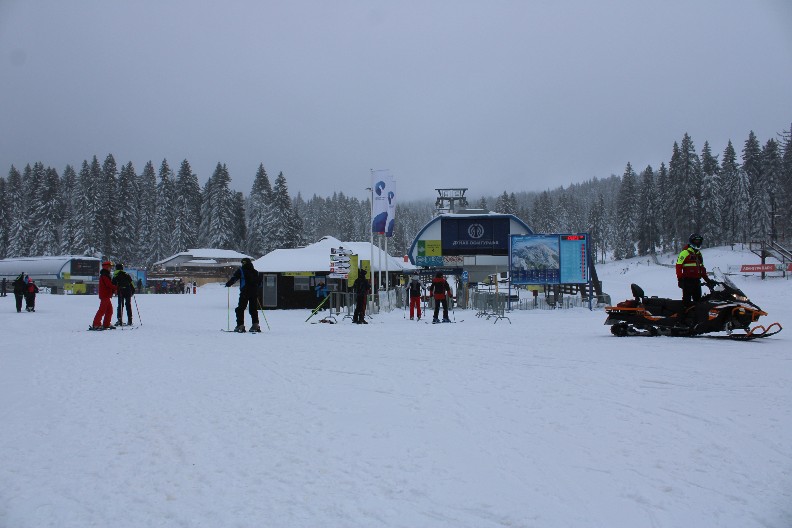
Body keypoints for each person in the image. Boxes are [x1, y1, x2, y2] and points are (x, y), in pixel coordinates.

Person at [676, 233, 713, 309]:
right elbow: (678, 266)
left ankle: (697, 318)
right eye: (696, 241)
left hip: (697, 281)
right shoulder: (685, 252)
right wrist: (680, 279)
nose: (698, 243)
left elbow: (701, 268)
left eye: (699, 241)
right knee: (686, 302)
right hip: (687, 281)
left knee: (698, 301)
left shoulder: (699, 254)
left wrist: (707, 279)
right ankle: (681, 319)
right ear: (692, 241)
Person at [225, 257, 261, 332]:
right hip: (254, 293)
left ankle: (240, 325)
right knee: (253, 309)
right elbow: (260, 283)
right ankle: (255, 325)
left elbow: (234, 278)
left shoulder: (241, 270)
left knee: (240, 309)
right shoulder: (255, 272)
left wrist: (228, 284)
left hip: (245, 292)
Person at [90, 261, 118, 330]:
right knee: (102, 310)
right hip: (105, 295)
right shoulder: (104, 276)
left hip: (107, 295)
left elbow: (109, 285)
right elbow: (108, 285)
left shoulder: (106, 275)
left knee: (109, 310)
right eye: (110, 267)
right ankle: (96, 324)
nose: (110, 268)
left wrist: (114, 289)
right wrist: (116, 287)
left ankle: (106, 324)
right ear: (106, 267)